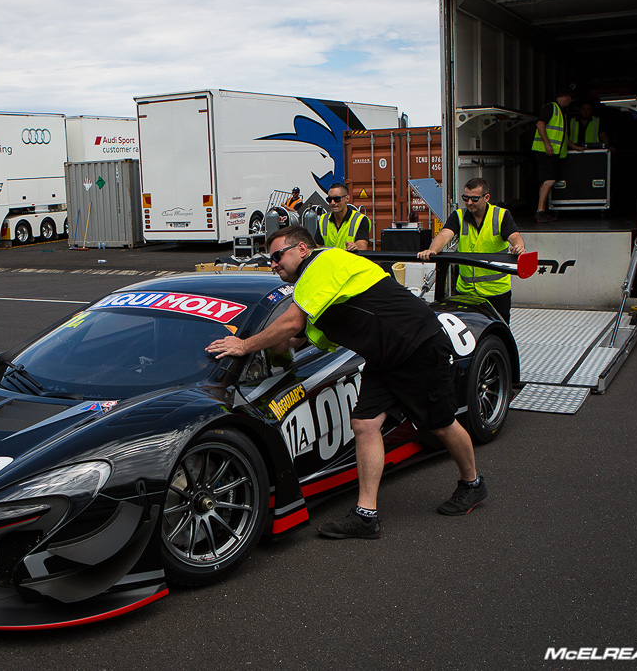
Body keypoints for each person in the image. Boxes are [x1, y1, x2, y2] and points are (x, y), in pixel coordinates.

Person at [205, 225, 488, 539]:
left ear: (301, 249)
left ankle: (472, 484)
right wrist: (251, 349)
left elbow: (292, 322)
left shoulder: (322, 264)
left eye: (277, 255)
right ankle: (366, 515)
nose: (273, 264)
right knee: (365, 423)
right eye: (269, 258)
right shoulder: (315, 286)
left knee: (440, 423)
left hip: (416, 344)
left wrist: (245, 346)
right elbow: (294, 338)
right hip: (384, 356)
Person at [417, 178, 525, 324]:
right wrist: (432, 250)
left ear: (486, 198)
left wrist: (518, 246)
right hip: (466, 291)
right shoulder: (459, 216)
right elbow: (444, 234)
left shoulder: (501, 215)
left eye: (474, 199)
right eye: (466, 198)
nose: (469, 203)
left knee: (499, 332)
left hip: (496, 291)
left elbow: (515, 236)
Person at [532, 89, 574, 223]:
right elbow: (540, 124)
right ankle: (540, 211)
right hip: (545, 151)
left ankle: (542, 211)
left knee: (546, 181)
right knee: (549, 180)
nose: (571, 101)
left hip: (551, 152)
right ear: (564, 96)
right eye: (570, 97)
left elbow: (562, 135)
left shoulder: (561, 111)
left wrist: (574, 146)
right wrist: (547, 144)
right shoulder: (551, 107)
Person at [314, 182, 371, 251]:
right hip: (330, 261)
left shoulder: (360, 220)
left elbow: (362, 247)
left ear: (347, 199)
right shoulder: (323, 219)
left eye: (337, 199)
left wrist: (355, 246)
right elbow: (316, 246)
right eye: (329, 200)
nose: (332, 203)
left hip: (349, 261)